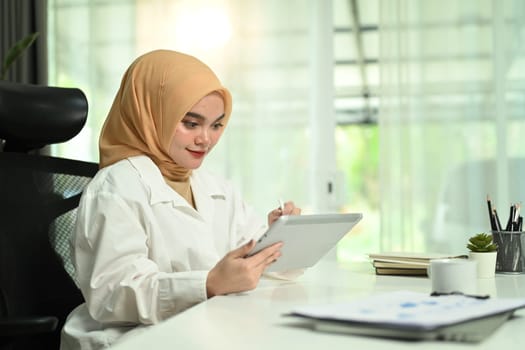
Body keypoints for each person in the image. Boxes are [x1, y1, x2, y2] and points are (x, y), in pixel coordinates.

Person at [60, 49, 301, 350]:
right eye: (191, 123)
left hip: (201, 327)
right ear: (150, 114)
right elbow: (112, 295)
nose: (206, 139)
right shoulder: (115, 187)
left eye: (216, 125)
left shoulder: (216, 186)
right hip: (128, 339)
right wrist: (208, 284)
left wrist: (276, 236)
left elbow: (248, 258)